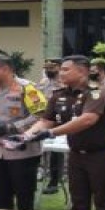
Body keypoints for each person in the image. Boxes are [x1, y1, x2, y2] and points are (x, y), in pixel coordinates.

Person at [23, 55, 105, 210]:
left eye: (65, 69)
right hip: (76, 154)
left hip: (102, 155)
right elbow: (46, 121)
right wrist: (25, 136)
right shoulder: (59, 94)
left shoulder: (97, 90)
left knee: (104, 204)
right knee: (78, 204)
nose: (61, 73)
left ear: (82, 71)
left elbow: (88, 119)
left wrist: (51, 133)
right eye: (61, 69)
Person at [0, 54, 47, 210]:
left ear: (5, 69)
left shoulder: (27, 88)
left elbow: (41, 115)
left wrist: (13, 127)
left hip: (23, 153)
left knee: (24, 198)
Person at [35, 57, 65, 195]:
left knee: (56, 152)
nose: (48, 71)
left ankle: (54, 181)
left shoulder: (64, 83)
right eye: (46, 68)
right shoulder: (43, 83)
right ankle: (41, 173)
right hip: (43, 119)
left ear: (59, 67)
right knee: (42, 149)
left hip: (60, 121)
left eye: (51, 68)